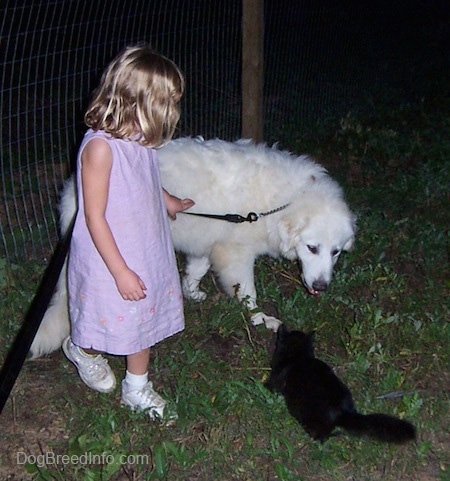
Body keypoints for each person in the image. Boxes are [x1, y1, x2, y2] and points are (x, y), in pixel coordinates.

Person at [62, 44, 194, 422]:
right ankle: (82, 348)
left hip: (144, 245)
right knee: (107, 316)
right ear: (136, 100)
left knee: (144, 320)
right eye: (166, 102)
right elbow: (94, 216)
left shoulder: (140, 139)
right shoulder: (100, 149)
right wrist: (120, 271)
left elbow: (145, 179)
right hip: (111, 252)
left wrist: (166, 200)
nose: (172, 112)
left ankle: (136, 389)